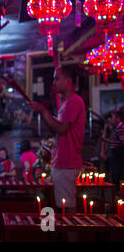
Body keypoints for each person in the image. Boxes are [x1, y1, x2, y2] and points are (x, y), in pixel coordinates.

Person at [31, 65, 85, 214]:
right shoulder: (66, 103)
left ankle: (72, 237)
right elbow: (56, 128)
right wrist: (42, 113)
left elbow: (62, 129)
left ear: (68, 81)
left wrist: (42, 110)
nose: (53, 82)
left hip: (67, 162)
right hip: (61, 161)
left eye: (57, 78)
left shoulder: (74, 101)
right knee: (63, 208)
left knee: (68, 210)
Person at [101, 110, 124, 192]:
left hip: (118, 154)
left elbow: (122, 142)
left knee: (117, 174)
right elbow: (116, 141)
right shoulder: (117, 128)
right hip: (114, 153)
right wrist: (108, 141)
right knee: (114, 174)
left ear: (117, 118)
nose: (110, 119)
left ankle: (118, 192)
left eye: (112, 117)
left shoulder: (121, 128)